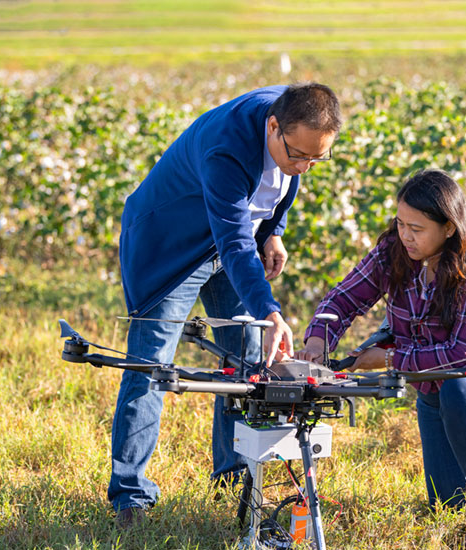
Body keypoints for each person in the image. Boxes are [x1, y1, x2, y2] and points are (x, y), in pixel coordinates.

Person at [295, 169, 466, 547]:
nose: (405, 235)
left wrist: (391, 360)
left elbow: (461, 357)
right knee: (449, 502)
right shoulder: (395, 251)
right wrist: (316, 341)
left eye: (417, 228)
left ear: (449, 229)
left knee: (461, 389)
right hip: (433, 387)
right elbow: (342, 299)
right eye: (400, 223)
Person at [111, 83, 342, 526]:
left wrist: (274, 228)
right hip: (172, 247)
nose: (305, 167)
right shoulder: (227, 147)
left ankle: (232, 473)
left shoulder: (294, 116)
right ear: (272, 126)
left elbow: (282, 183)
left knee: (246, 362)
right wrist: (270, 311)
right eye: (298, 155)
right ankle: (130, 495)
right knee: (151, 367)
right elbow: (235, 241)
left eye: (318, 158)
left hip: (229, 244)